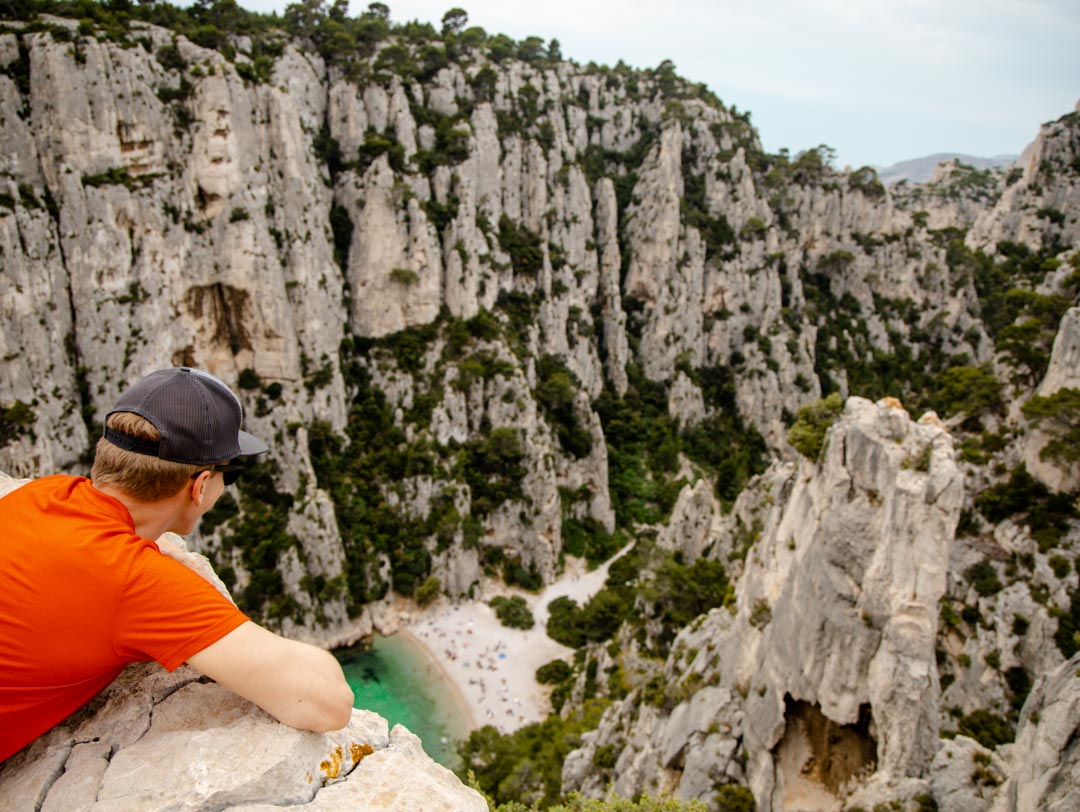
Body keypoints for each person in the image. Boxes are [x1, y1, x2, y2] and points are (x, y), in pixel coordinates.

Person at [0, 367, 354, 762]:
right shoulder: (136, 581)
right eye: (229, 475)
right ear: (200, 486)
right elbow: (326, 704)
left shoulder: (36, 496)